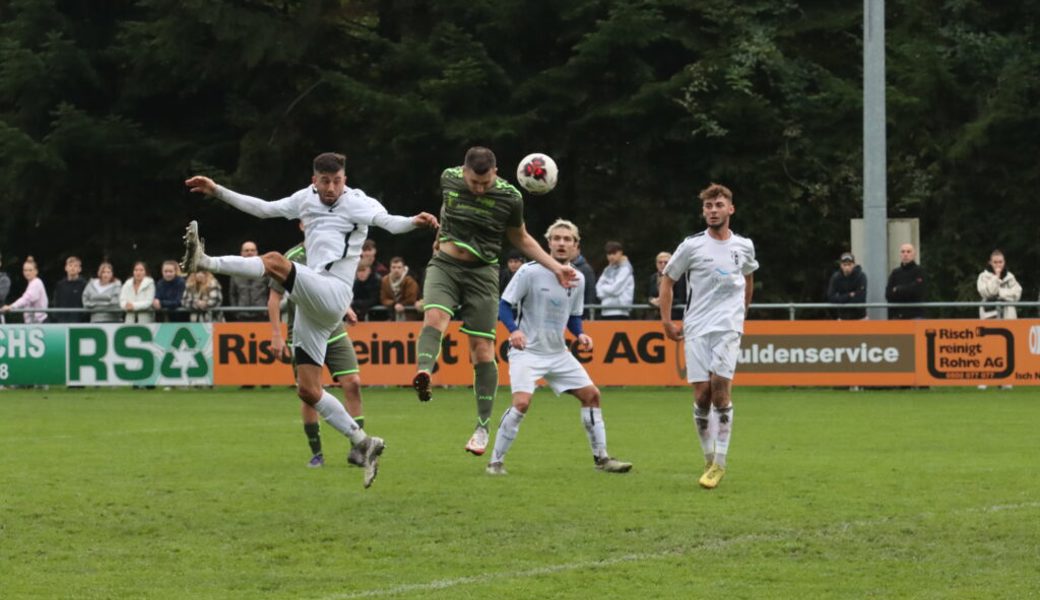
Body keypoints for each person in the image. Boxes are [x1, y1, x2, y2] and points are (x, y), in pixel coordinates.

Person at [183, 151, 438, 488]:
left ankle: (205, 262)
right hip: (309, 304)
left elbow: (389, 221)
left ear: (344, 179)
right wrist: (218, 190)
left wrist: (413, 222)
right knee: (308, 389)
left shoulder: (358, 202)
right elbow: (264, 208)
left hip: (333, 294)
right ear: (313, 180)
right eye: (325, 181)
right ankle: (363, 441)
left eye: (337, 181)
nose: (331, 187)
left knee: (274, 260)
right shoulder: (305, 199)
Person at [411, 146, 576, 457]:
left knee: (482, 349)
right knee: (435, 317)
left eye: (485, 184)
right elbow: (447, 208)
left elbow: (521, 237)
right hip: (445, 265)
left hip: (483, 272)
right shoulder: (448, 179)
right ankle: (423, 372)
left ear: (495, 174)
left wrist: (556, 267)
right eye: (474, 182)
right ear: (463, 172)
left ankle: (482, 427)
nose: (478, 188)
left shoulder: (510, 197)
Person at [488, 219, 632, 475]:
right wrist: (515, 331)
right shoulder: (529, 271)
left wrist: (580, 335)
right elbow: (504, 305)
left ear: (576, 246)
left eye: (567, 239)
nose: (561, 243)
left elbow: (574, 317)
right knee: (521, 403)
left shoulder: (577, 278)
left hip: (557, 353)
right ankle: (495, 462)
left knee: (592, 396)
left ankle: (602, 459)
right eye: (557, 238)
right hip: (527, 352)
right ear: (548, 244)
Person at [658, 183, 758, 490]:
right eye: (708, 206)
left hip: (728, 326)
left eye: (718, 205)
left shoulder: (744, 245)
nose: (713, 211)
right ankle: (708, 456)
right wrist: (666, 321)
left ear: (731, 209)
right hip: (697, 327)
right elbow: (668, 280)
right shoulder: (691, 246)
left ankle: (721, 463)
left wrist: (742, 313)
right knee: (702, 396)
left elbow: (748, 278)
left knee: (719, 388)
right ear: (704, 212)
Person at [269, 238, 368, 468]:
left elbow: (336, 288)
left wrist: (347, 308)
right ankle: (317, 453)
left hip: (333, 329)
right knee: (310, 393)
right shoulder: (291, 256)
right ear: (303, 225)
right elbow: (274, 299)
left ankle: (358, 447)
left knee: (353, 382)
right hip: (303, 333)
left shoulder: (332, 252)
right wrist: (276, 334)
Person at [977, 249, 1022, 391]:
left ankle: (1006, 382)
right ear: (990, 262)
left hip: (1008, 315)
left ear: (1004, 262)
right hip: (990, 316)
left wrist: (1001, 293)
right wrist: (996, 278)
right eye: (995, 262)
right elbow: (987, 292)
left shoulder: (1010, 277)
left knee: (1007, 348)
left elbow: (1017, 293)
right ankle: (984, 381)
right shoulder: (983, 276)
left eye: (1000, 262)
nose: (998, 265)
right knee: (988, 348)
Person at [227, 241, 268, 321]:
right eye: (247, 250)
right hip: (242, 315)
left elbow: (271, 291)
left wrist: (267, 309)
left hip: (261, 314)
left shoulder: (264, 271)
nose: (250, 252)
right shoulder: (235, 272)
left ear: (256, 252)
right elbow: (232, 294)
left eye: (252, 250)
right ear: (241, 253)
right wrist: (235, 311)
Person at [1, 256, 48, 323]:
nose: (27, 273)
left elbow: (26, 299)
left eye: (30, 270)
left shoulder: (36, 283)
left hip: (39, 322)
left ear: (36, 271)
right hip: (33, 322)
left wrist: (11, 307)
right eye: (25, 270)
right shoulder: (31, 283)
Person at [595, 241, 634, 320]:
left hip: (620, 312)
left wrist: (604, 287)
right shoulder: (607, 269)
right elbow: (598, 289)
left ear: (620, 253)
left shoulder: (626, 268)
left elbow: (615, 289)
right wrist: (609, 288)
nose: (611, 256)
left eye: (614, 253)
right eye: (609, 254)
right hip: (605, 310)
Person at [885, 243, 926, 319]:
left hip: (915, 315)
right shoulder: (895, 272)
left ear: (914, 254)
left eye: (908, 251)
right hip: (897, 316)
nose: (905, 254)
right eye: (903, 252)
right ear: (900, 254)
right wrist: (907, 290)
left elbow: (917, 291)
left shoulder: (919, 271)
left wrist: (897, 289)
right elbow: (888, 295)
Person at [380, 256, 422, 321]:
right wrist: (394, 304)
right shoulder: (385, 281)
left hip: (409, 313)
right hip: (391, 313)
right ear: (390, 268)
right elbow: (384, 298)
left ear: (403, 268)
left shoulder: (410, 280)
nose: (396, 270)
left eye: (399, 267)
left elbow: (411, 298)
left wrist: (402, 304)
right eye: (393, 267)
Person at [826, 252, 867, 319]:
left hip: (860, 318)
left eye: (849, 264)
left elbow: (860, 298)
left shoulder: (861, 276)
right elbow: (831, 298)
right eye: (844, 265)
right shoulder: (836, 277)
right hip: (842, 317)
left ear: (853, 265)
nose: (847, 267)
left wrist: (841, 298)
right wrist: (849, 295)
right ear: (841, 265)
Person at [647, 251, 686, 320]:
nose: (663, 264)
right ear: (656, 264)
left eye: (666, 262)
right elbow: (649, 296)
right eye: (660, 262)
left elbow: (681, 299)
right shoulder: (653, 277)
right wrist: (651, 301)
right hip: (656, 317)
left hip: (674, 317)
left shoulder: (678, 277)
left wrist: (662, 301)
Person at [50, 256, 88, 323]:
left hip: (79, 323)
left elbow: (86, 303)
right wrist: (57, 318)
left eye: (75, 266)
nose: (72, 268)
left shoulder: (84, 285)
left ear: (80, 269)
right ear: (66, 268)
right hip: (62, 322)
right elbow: (56, 303)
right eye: (70, 265)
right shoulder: (60, 285)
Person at [569, 244, 598, 318]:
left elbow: (590, 293)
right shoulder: (559, 267)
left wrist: (587, 314)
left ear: (578, 251)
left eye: (573, 250)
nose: (570, 252)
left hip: (580, 313)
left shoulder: (586, 269)